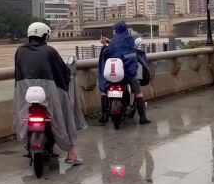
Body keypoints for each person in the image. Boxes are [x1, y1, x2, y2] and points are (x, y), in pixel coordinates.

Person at [13, 22, 86, 165]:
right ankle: (71, 154)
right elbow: (62, 72)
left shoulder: (20, 51)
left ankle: (27, 142)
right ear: (45, 35)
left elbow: (18, 73)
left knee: (21, 113)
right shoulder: (49, 51)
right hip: (48, 90)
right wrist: (69, 74)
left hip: (25, 90)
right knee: (65, 114)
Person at [98, 22, 151, 125]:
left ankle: (104, 116)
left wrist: (104, 45)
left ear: (116, 30)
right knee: (138, 93)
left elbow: (110, 50)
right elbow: (123, 48)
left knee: (104, 91)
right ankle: (143, 118)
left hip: (113, 74)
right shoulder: (129, 39)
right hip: (128, 73)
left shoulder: (114, 41)